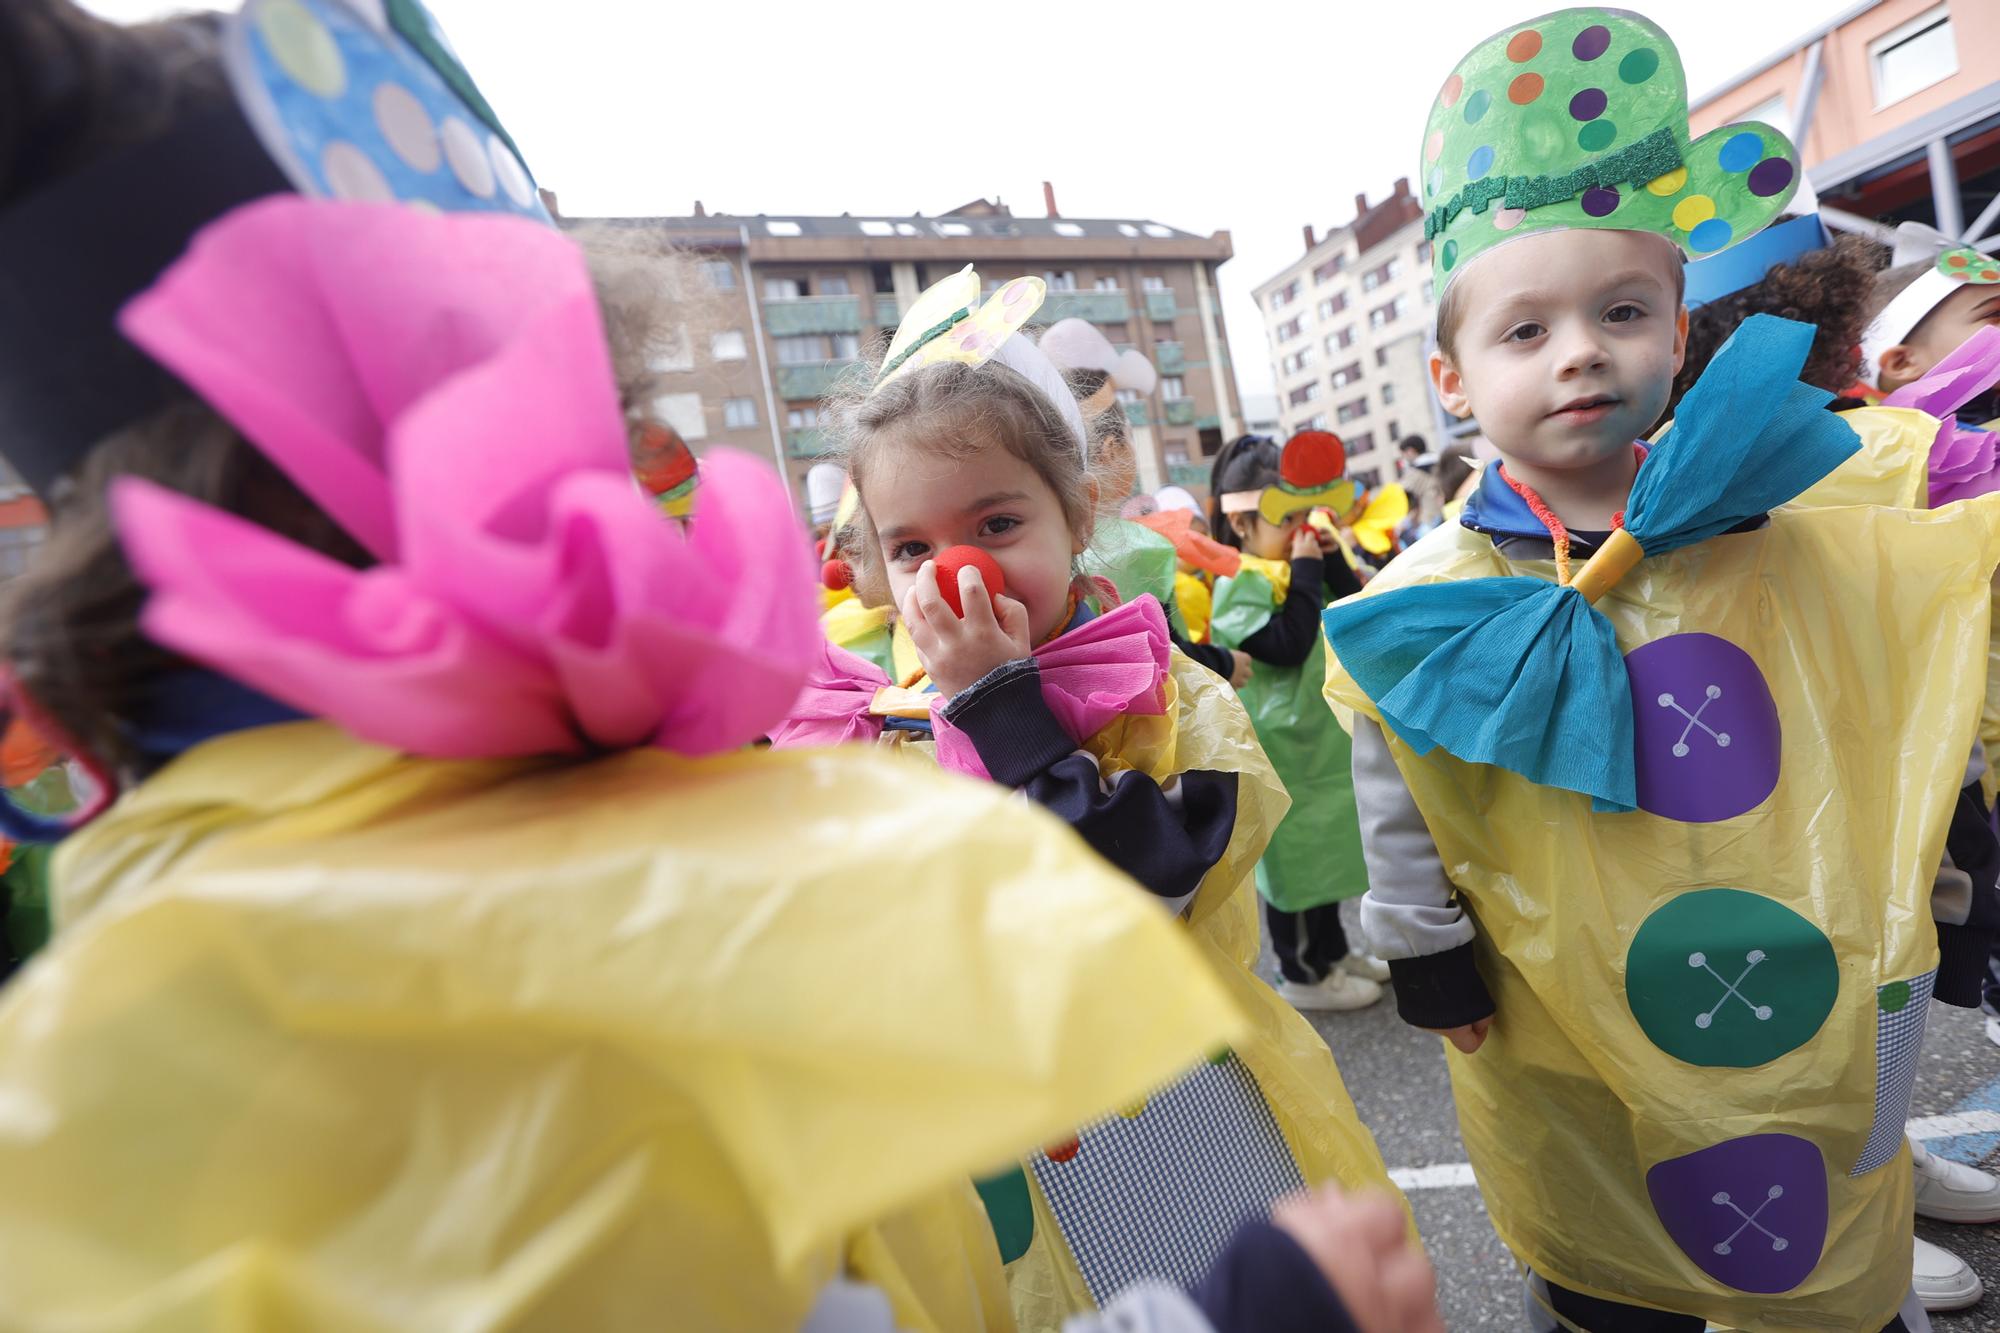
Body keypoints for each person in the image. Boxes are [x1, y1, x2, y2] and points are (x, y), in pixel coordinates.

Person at [0, 6, 1445, 1330]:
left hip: (1171, 1130)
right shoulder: (418, 952)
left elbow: (1155, 879)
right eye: (559, 449)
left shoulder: (478, 843)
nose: (614, 528)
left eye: (609, 444)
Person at [1323, 10, 2000, 1330]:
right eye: (1526, 332)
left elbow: (1881, 687)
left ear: (1679, 332)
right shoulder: (1437, 594)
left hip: (1785, 951)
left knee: (1810, 1182)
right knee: (1602, 1228)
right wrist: (1425, 954)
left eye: (1621, 311)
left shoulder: (1783, 509)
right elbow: (1395, 778)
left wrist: (1942, 861)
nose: (1580, 348)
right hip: (1551, 1000)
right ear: (1450, 380)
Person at [772, 267, 1405, 1329]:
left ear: (1076, 515)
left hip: (1172, 1112)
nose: (955, 572)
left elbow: (1148, 898)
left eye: (996, 521)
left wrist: (1001, 713)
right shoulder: (862, 723)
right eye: (913, 547)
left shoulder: (1163, 697)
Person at [1669, 213, 2000, 1312]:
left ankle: (1883, 1163)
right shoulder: (1664, 480)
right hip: (1751, 806)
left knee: (1886, 991)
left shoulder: (1880, 442)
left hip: (1889, 784)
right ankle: (1848, 1217)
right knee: (1794, 1028)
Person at [1207, 432, 1385, 1012]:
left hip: (1318, 742)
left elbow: (1355, 598)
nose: (1303, 528)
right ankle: (1302, 971)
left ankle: (1332, 953)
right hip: (1281, 748)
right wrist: (1307, 573)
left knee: (1328, 855)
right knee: (1294, 865)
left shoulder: (1293, 562)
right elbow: (1285, 644)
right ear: (1241, 525)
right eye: (1289, 517)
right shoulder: (1241, 580)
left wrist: (1326, 555)